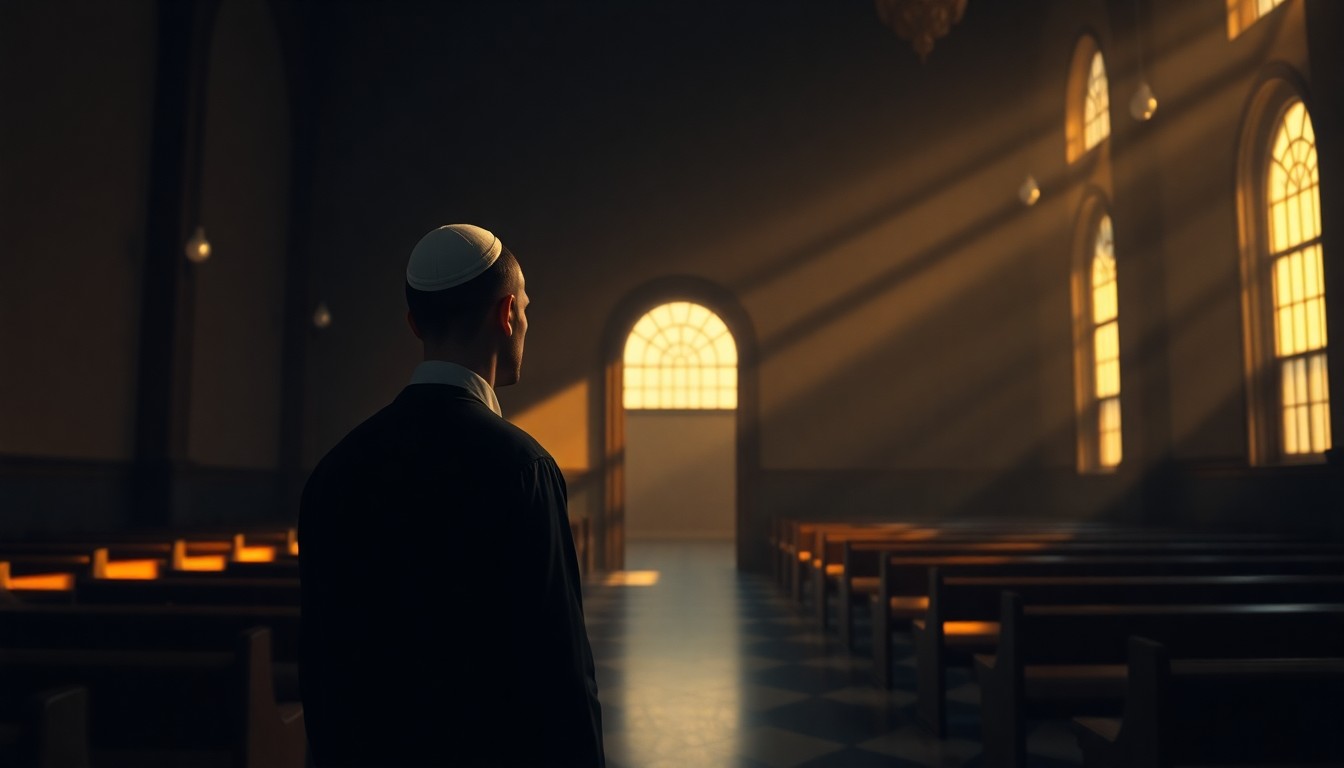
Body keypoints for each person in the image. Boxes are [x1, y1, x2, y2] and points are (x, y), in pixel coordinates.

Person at [298, 224, 605, 767]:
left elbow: (322, 669)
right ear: (506, 313)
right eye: (525, 308)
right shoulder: (522, 467)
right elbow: (558, 672)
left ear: (415, 323)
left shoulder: (336, 469)